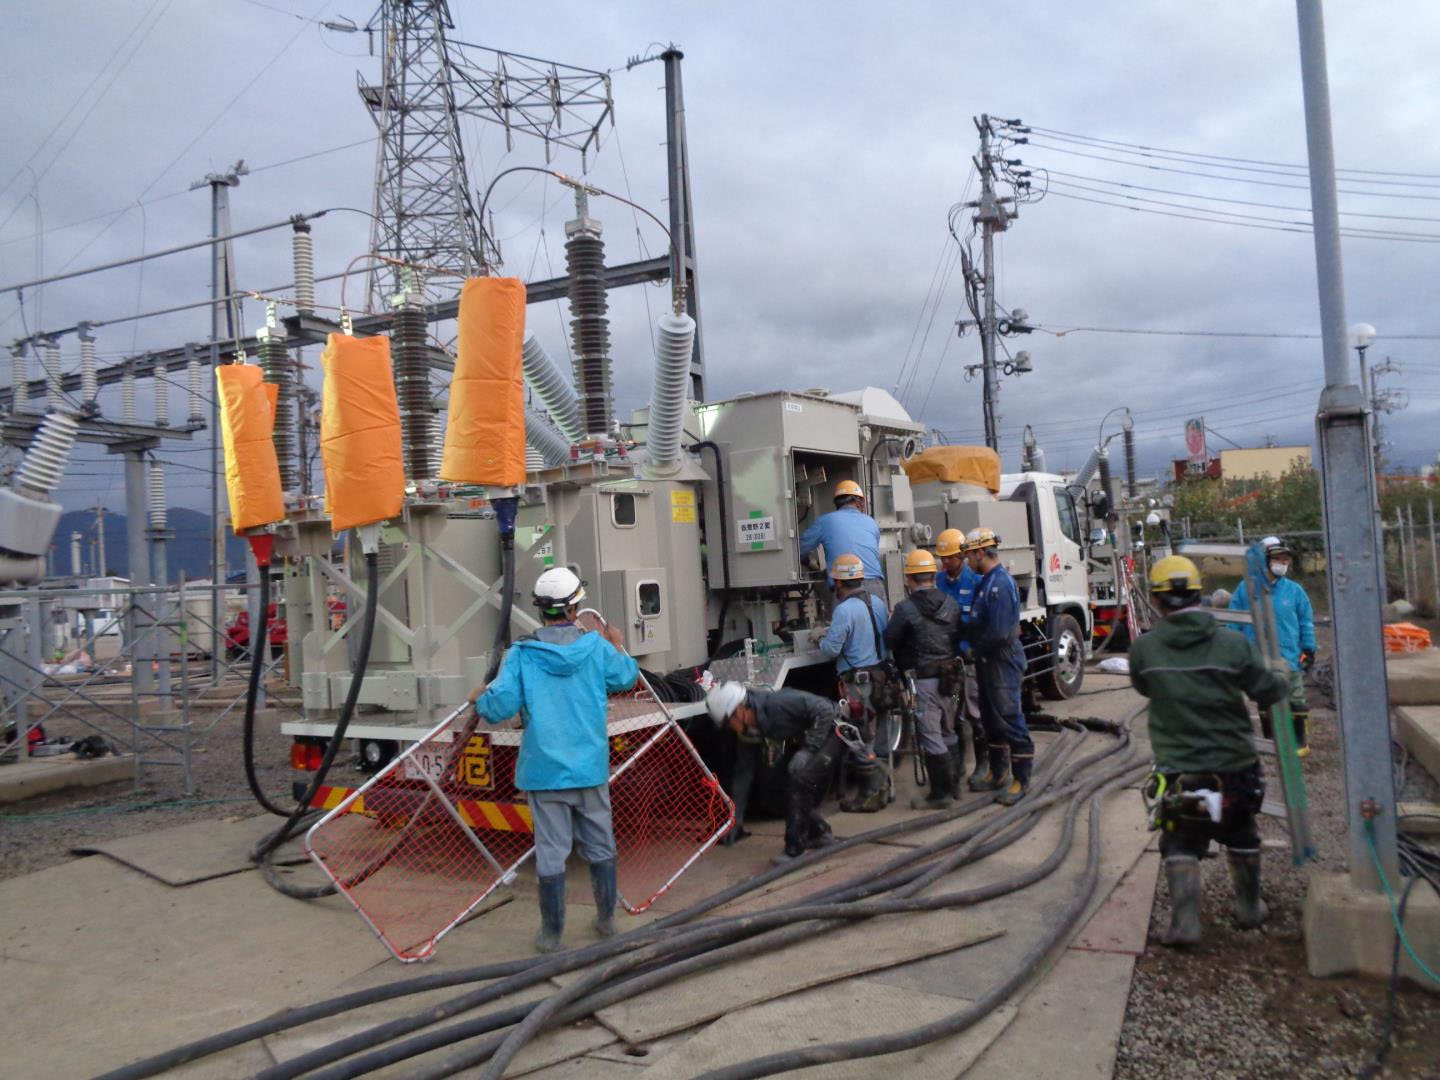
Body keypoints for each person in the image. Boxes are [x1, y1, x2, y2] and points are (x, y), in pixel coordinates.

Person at [468, 566, 639, 954]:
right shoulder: (595, 648)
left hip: (544, 771)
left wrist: (479, 697)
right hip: (589, 767)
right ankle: (606, 920)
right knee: (601, 843)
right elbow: (627, 677)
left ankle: (551, 933)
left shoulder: (521, 655)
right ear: (575, 608)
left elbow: (500, 707)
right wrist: (616, 643)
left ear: (540, 609)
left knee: (551, 851)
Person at [1129, 556, 1289, 946]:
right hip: (1236, 767)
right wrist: (1280, 674)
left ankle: (1185, 923)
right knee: (1241, 830)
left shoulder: (1145, 651)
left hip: (1181, 772)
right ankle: (1249, 909)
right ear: (1200, 594)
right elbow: (1268, 691)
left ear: (1156, 599)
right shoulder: (1233, 645)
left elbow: (1145, 688)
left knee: (1180, 839)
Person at [706, 681, 845, 862]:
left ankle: (795, 848)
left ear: (739, 710)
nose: (730, 728)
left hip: (832, 731)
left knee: (797, 779)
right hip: (806, 738)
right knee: (774, 788)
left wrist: (809, 750)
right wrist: (736, 819)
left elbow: (825, 710)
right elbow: (743, 773)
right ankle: (819, 833)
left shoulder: (778, 703)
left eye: (728, 722)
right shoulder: (749, 731)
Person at [813, 552, 892, 812]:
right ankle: (884, 790)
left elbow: (831, 650)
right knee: (879, 736)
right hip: (880, 676)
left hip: (859, 682)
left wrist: (819, 638)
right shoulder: (877, 603)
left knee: (860, 738)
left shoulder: (844, 610)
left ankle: (869, 796)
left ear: (838, 582)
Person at [884, 548, 963, 809]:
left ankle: (941, 794)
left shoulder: (905, 609)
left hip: (924, 680)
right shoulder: (951, 603)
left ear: (909, 579)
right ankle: (954, 786)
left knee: (930, 734)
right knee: (948, 731)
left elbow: (889, 639)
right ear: (933, 574)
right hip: (950, 678)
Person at [961, 526, 1034, 806]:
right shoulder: (986, 581)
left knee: (1009, 717)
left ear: (981, 552)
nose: (968, 560)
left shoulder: (1000, 583)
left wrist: (974, 651)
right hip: (988, 660)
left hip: (1001, 660)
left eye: (969, 555)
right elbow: (979, 622)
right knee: (991, 720)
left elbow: (1001, 633)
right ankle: (998, 773)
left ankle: (1021, 780)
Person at [1228, 536, 1317, 755]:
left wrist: (1309, 648)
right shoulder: (1246, 589)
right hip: (1258, 656)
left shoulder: (1294, 591)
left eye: (1286, 560)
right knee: (1265, 698)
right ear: (1265, 560)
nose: (1283, 564)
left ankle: (1299, 741)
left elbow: (1306, 621)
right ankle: (1272, 740)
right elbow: (1234, 620)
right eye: (1278, 559)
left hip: (1289, 655)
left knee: (1295, 698)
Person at [935, 527, 985, 785]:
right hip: (948, 662)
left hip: (968, 660)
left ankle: (983, 765)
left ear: (962, 557)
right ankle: (958, 765)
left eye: (950, 558)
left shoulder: (975, 581)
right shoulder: (939, 581)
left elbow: (978, 621)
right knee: (953, 713)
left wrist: (968, 647)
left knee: (975, 713)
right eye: (942, 558)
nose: (945, 563)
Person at [799, 480, 884, 597]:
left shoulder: (825, 521)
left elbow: (799, 549)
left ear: (837, 503)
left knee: (845, 614)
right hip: (875, 585)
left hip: (845, 586)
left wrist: (808, 561)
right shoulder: (872, 523)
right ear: (859, 502)